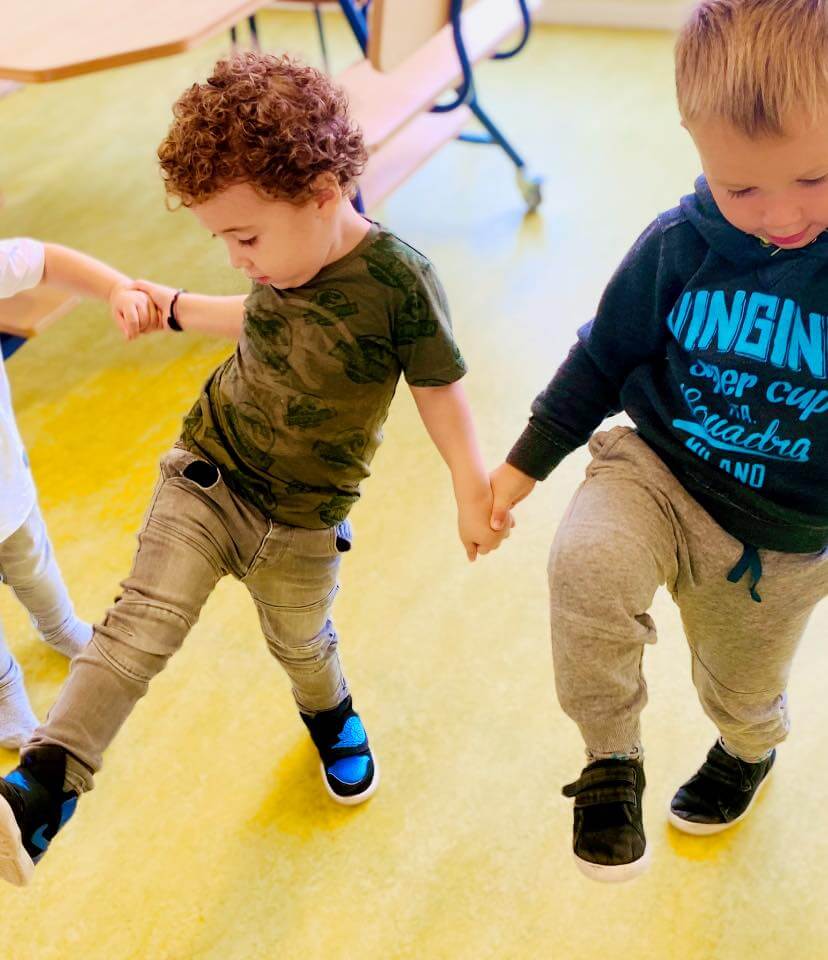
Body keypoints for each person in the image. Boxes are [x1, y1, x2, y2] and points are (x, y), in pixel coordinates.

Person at [0, 53, 511, 886]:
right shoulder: (282, 262)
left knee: (302, 643)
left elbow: (440, 389)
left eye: (243, 236)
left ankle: (332, 713)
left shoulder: (398, 283)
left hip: (303, 519)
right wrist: (169, 307)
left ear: (321, 191)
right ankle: (41, 792)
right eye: (221, 240)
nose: (237, 257)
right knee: (136, 627)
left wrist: (468, 486)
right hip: (210, 473)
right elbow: (257, 318)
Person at [490, 0, 828, 882]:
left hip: (779, 535)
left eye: (816, 178)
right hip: (659, 468)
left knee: (741, 696)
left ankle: (749, 752)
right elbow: (604, 354)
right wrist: (526, 461)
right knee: (587, 567)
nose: (780, 214)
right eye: (740, 187)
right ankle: (610, 760)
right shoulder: (680, 245)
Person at [0, 238, 155, 749]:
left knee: (33, 565)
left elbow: (43, 260)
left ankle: (60, 626)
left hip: (6, 488)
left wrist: (115, 286)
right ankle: (3, 686)